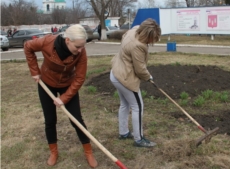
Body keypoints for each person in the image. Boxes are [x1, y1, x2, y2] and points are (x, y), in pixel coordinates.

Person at [24, 24, 98, 168]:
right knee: (50, 120)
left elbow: (80, 78)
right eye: (77, 47)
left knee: (76, 119)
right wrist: (34, 71)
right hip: (47, 83)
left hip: (68, 84)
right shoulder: (47, 42)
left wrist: (64, 98)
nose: (81, 50)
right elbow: (28, 47)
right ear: (68, 40)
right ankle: (54, 152)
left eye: (83, 46)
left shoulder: (81, 52)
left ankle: (88, 152)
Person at [110, 18, 161, 148]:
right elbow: (140, 69)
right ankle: (139, 139)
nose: (153, 41)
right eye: (152, 38)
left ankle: (123, 132)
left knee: (125, 104)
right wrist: (149, 77)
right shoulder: (138, 45)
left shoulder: (135, 29)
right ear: (147, 35)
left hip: (116, 72)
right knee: (138, 106)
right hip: (125, 78)